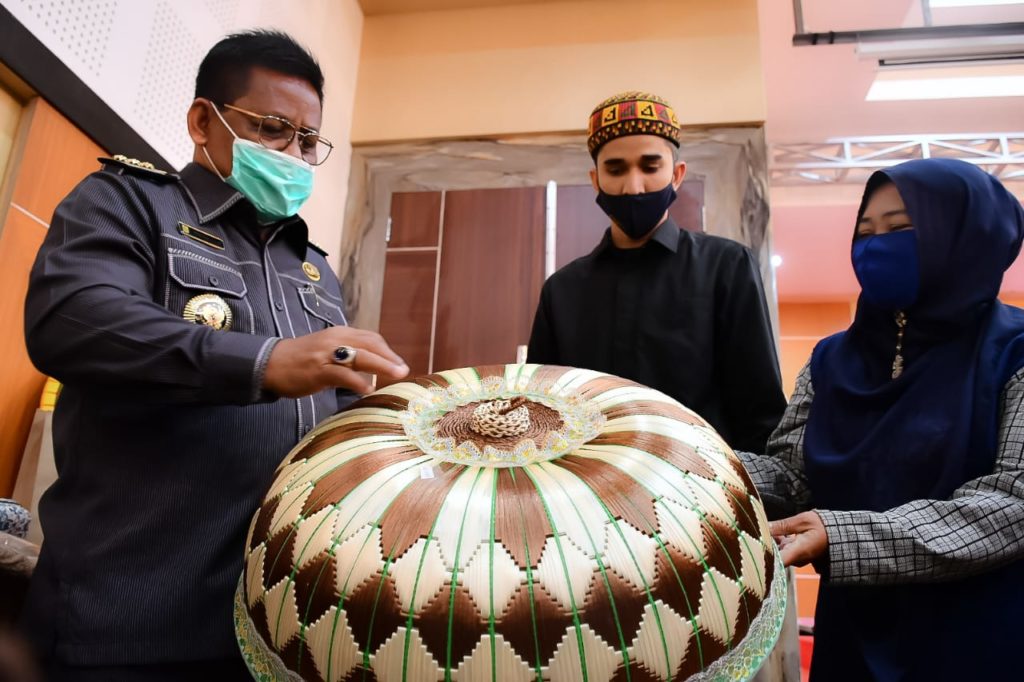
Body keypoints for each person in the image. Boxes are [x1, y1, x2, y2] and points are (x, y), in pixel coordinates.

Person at [20, 30, 408, 680]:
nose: (293, 154)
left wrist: (395, 422)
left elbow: (335, 413)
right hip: (129, 621)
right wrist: (264, 362)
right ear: (205, 120)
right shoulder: (129, 203)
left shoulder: (313, 270)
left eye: (307, 141)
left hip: (273, 621)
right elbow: (74, 320)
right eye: (273, 129)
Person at [738, 158, 1024, 681]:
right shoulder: (831, 359)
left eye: (899, 228)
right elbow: (794, 478)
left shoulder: (1014, 352)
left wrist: (845, 536)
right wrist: (689, 461)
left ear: (966, 236)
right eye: (865, 232)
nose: (874, 247)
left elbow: (1012, 502)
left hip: (976, 638)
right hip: (853, 636)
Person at [527, 91, 786, 452]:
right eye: (616, 169)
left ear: (676, 174)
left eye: (650, 167)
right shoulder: (562, 291)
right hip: (588, 483)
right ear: (595, 179)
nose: (633, 186)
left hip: (701, 479)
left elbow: (760, 414)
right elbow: (540, 415)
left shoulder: (727, 267)